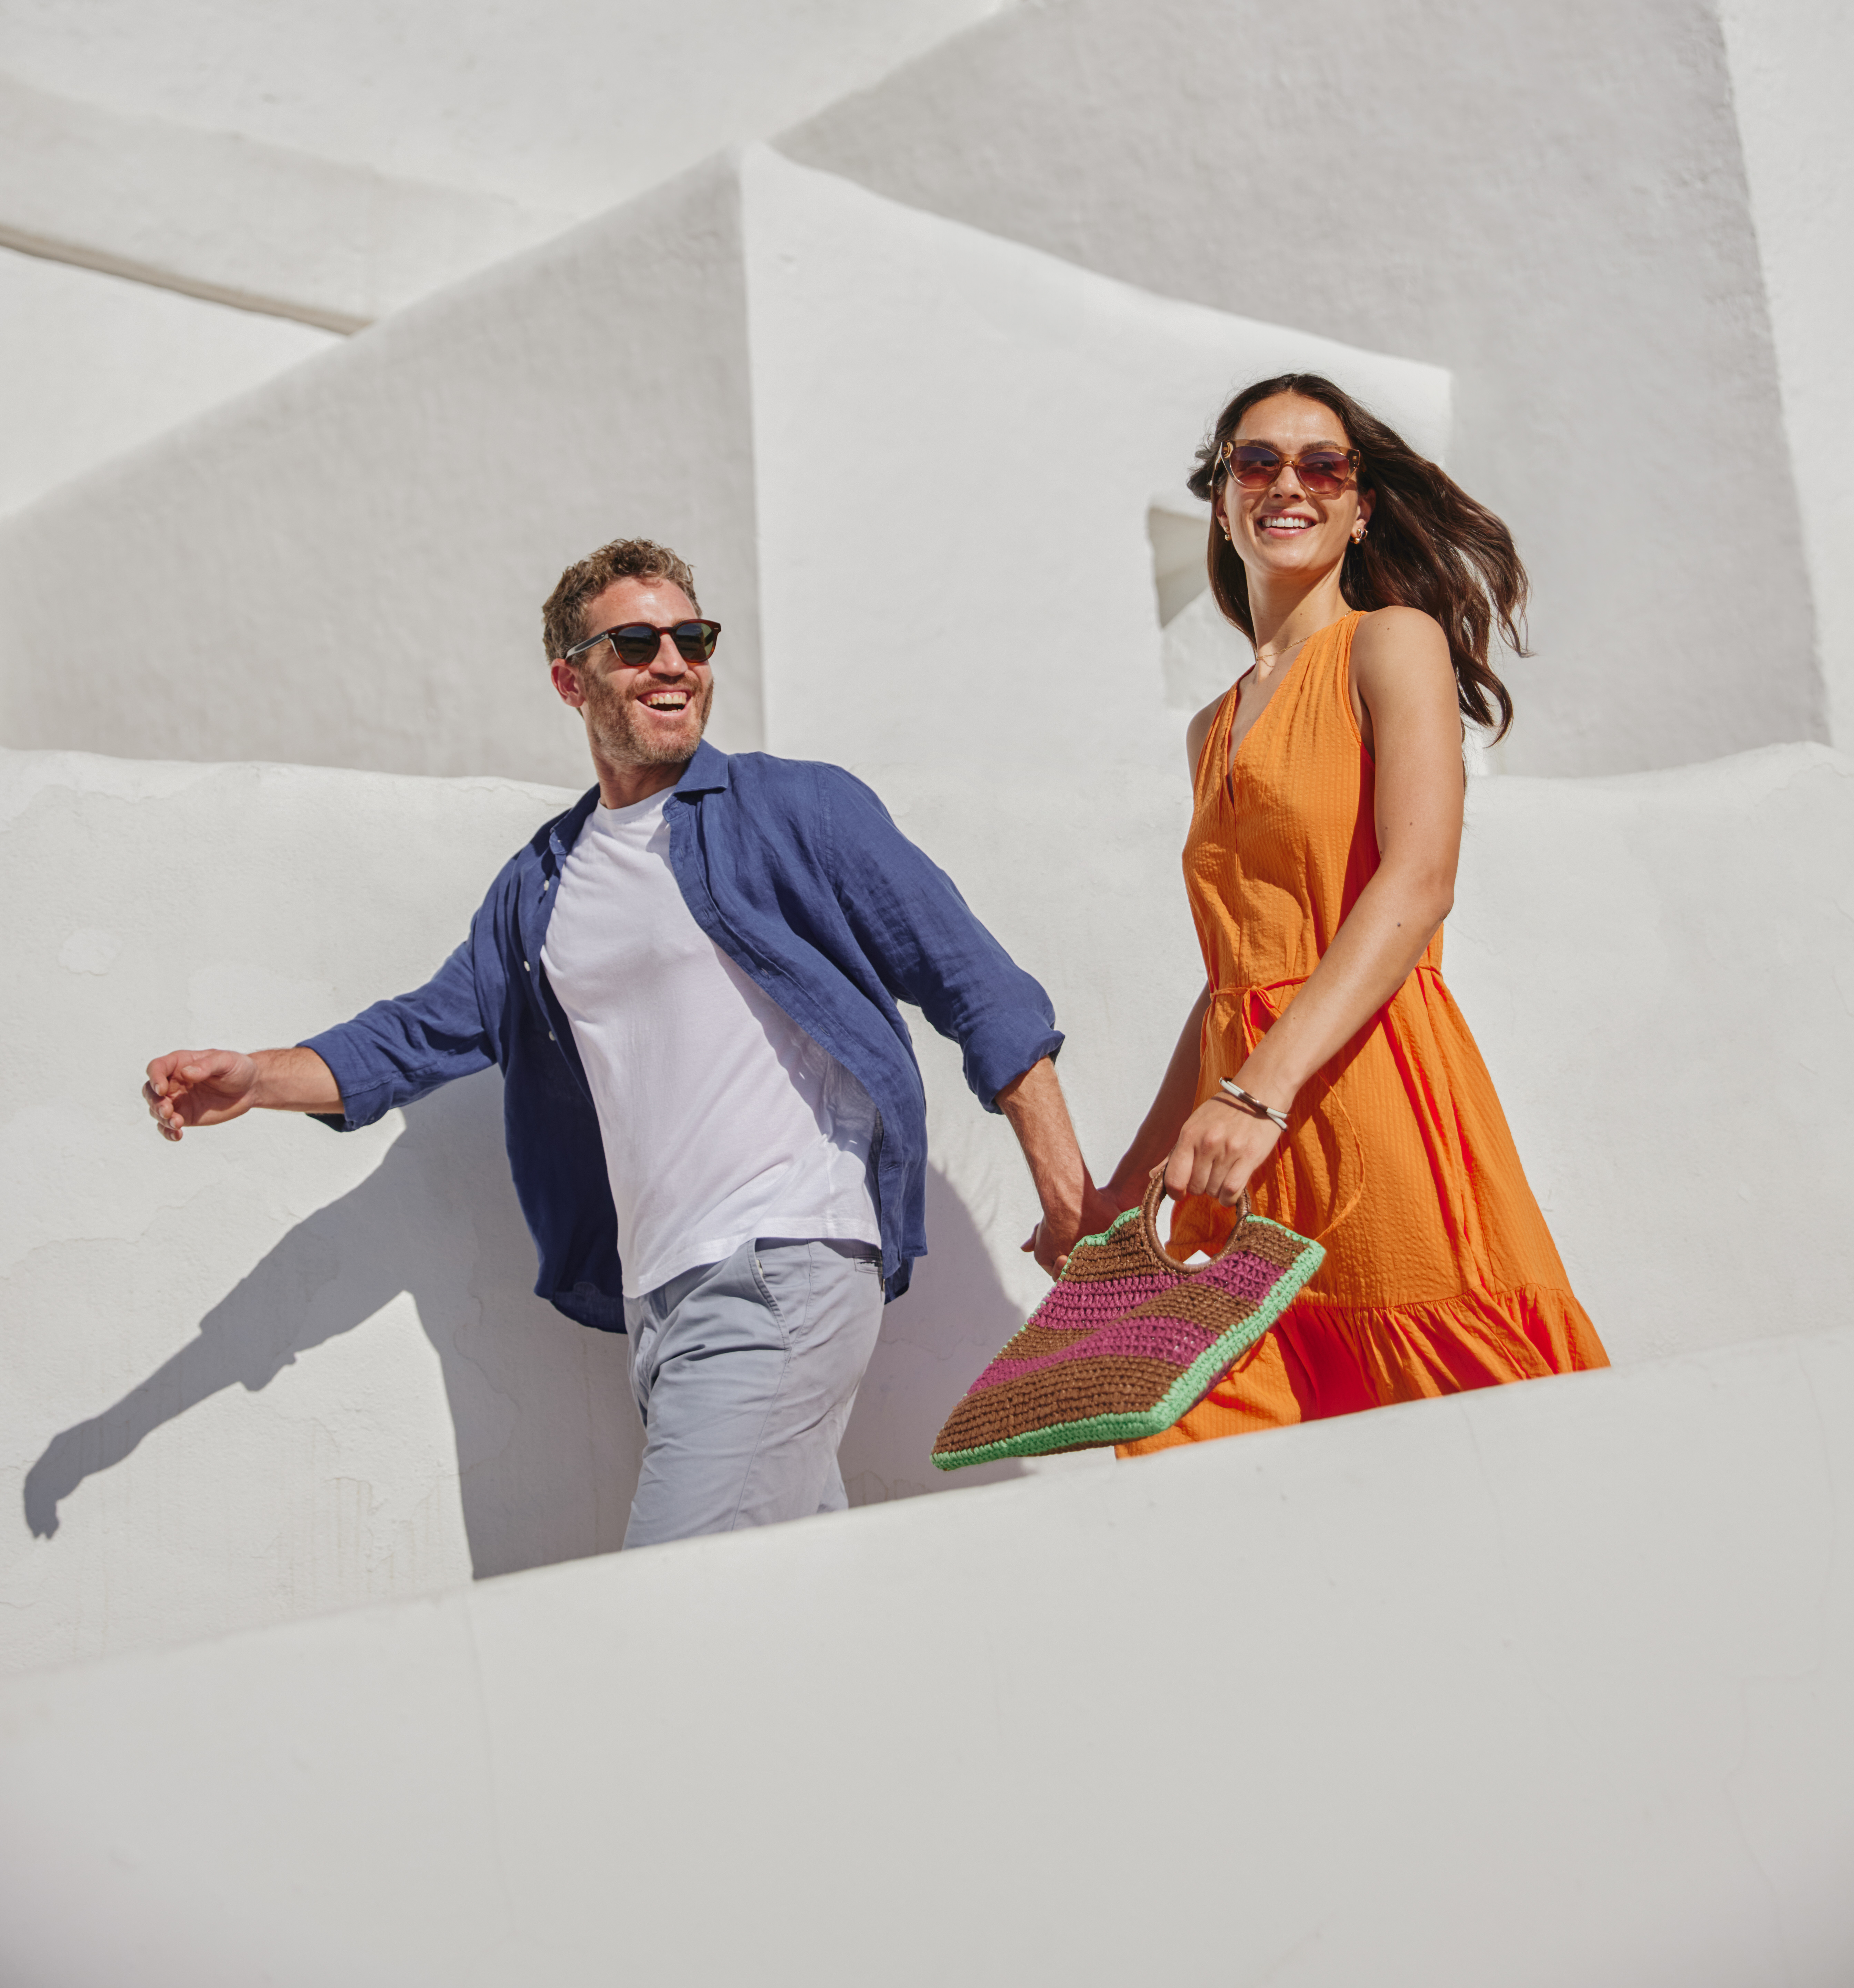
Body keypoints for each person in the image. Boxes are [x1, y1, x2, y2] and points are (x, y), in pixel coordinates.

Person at [143, 538, 1093, 1546]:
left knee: (667, 1608)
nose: (674, 663)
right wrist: (256, 1080)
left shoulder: (798, 810)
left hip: (783, 1261)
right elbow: (422, 1031)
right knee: (790, 1614)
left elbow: (977, 988)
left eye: (693, 638)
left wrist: (1070, 1201)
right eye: (636, 643)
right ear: (572, 679)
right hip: (661, 1301)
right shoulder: (545, 883)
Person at [1089, 373, 1606, 1450]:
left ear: (1361, 504)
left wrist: (1258, 1096)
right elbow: (1234, 968)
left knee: (1454, 1434)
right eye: (1257, 462)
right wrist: (1136, 1178)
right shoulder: (1210, 726)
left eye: (1323, 464)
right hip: (1244, 1120)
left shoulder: (1390, 642)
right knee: (1183, 1438)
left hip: (1364, 1090)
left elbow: (1417, 883)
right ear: (1222, 501)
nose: (1290, 484)